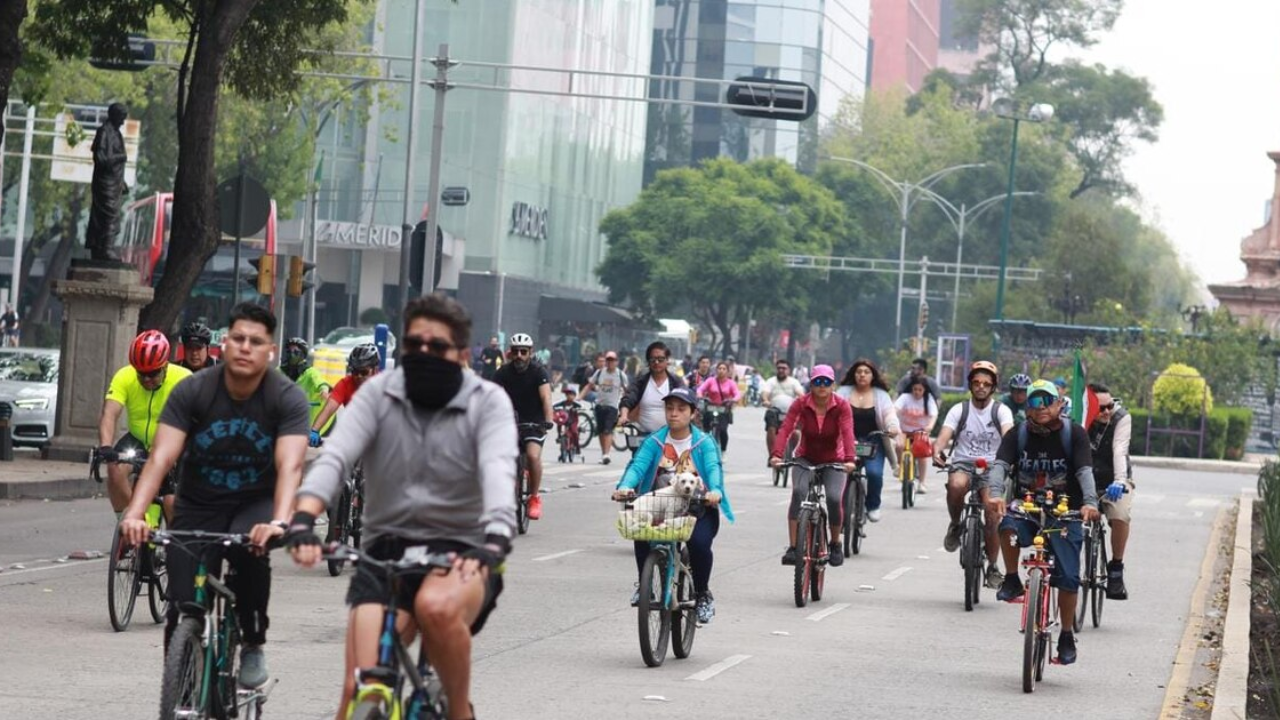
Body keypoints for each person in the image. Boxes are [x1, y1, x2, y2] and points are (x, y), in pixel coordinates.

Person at [286, 293, 515, 720]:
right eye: (414, 345)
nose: (424, 354)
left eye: (438, 347)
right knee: (360, 689)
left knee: (435, 607)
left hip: (463, 552)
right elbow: (337, 456)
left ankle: (459, 710)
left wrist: (497, 536)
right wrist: (304, 515)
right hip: (385, 555)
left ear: (463, 354)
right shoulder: (377, 394)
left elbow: (498, 470)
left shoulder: (488, 401)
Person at [120, 303, 310, 687]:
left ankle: (253, 641)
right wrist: (135, 512)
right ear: (223, 345)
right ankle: (181, 688)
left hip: (254, 500)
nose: (245, 347)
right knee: (181, 601)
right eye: (237, 338)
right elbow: (161, 457)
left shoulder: (286, 398)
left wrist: (279, 521)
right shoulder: (194, 390)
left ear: (270, 351)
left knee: (250, 552)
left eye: (255, 341)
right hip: (198, 501)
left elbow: (290, 465)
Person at [986, 379, 1100, 666]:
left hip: (1065, 513)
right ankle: (1012, 579)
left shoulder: (1074, 435)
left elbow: (1085, 471)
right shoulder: (1017, 435)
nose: (1042, 408)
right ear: (1028, 408)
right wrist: (996, 494)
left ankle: (1065, 634)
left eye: (1047, 401)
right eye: (1035, 402)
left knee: (1069, 577)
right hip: (1026, 508)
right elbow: (1000, 466)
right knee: (1007, 528)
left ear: (1059, 403)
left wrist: (1089, 502)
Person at [613, 387, 733, 624]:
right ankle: (644, 585)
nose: (674, 414)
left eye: (681, 409)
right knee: (640, 530)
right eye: (669, 408)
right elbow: (637, 467)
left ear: (693, 413)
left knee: (698, 544)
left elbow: (712, 469)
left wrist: (715, 492)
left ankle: (702, 595)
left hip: (698, 508)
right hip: (661, 506)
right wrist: (625, 487)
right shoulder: (654, 440)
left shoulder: (704, 442)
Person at [933, 360, 1014, 589]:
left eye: (986, 383)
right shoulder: (960, 409)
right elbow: (943, 436)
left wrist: (1013, 458)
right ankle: (955, 524)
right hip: (963, 463)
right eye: (976, 382)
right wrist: (937, 451)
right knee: (957, 485)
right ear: (970, 385)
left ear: (993, 387)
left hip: (992, 467)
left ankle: (993, 566)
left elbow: (1009, 436)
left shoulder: (1001, 411)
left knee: (992, 510)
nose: (981, 387)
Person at [97, 330, 193, 519]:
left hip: (172, 443)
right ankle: (131, 523)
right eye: (142, 374)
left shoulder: (184, 378)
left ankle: (176, 545)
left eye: (153, 374)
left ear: (165, 365)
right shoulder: (125, 376)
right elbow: (110, 413)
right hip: (138, 440)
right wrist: (106, 446)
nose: (147, 380)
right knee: (114, 468)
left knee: (170, 502)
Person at [771, 364, 856, 567]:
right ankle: (793, 547)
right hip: (805, 457)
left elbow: (847, 432)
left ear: (832, 384)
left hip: (834, 459)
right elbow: (786, 429)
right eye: (817, 381)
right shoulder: (800, 403)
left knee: (835, 498)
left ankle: (835, 543)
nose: (822, 386)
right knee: (799, 492)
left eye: (826, 382)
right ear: (811, 383)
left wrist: (850, 459)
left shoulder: (842, 406)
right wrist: (776, 455)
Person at [492, 333, 554, 520]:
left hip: (534, 421)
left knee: (533, 456)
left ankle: (534, 497)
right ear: (509, 353)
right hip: (510, 421)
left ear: (530, 352)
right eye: (515, 351)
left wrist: (548, 419)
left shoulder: (538, 372)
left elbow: (546, 398)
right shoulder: (502, 372)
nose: (519, 355)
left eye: (523, 352)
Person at [836, 360, 900, 522]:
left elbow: (889, 414)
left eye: (866, 372)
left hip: (874, 440)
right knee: (843, 473)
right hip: (847, 440)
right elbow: (832, 410)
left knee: (874, 473)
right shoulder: (843, 392)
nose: (862, 375)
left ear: (873, 375)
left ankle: (872, 506)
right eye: (859, 372)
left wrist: (892, 426)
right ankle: (842, 509)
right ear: (853, 374)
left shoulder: (881, 395)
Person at [1087, 382, 1133, 600]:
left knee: (1120, 514)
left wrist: (1120, 481)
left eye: (1110, 406)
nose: (1107, 412)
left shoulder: (1121, 418)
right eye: (1101, 408)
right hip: (1083, 482)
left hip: (1113, 480)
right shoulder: (1077, 418)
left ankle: (1116, 568)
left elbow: (1120, 450)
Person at [309, 343, 381, 445]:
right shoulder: (345, 384)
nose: (359, 376)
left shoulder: (385, 386)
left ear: (375, 370)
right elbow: (329, 409)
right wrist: (314, 431)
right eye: (355, 371)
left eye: (364, 372)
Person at [618, 341, 687, 437]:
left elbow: (686, 402)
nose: (656, 362)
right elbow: (628, 398)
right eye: (653, 359)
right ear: (648, 361)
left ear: (667, 360)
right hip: (643, 436)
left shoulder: (676, 382)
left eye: (661, 359)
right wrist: (624, 415)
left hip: (669, 437)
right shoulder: (641, 382)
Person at [894, 376, 939, 494]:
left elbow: (934, 415)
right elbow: (895, 409)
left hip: (920, 432)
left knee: (922, 456)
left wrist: (930, 426)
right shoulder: (905, 398)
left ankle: (922, 483)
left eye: (920, 390)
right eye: (915, 389)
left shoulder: (928, 399)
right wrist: (893, 419)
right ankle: (899, 466)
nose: (917, 392)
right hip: (904, 430)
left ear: (924, 390)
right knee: (899, 446)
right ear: (911, 389)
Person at [280, 337, 333, 433]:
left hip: (310, 420)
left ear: (302, 355)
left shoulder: (310, 372)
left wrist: (324, 391)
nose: (292, 355)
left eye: (295, 352)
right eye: (289, 351)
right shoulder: (280, 370)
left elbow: (320, 382)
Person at [583, 350, 627, 465]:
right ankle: (604, 454)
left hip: (612, 406)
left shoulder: (620, 375)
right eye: (608, 360)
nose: (610, 362)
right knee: (601, 431)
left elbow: (627, 390)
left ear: (617, 362)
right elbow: (589, 385)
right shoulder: (599, 372)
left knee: (608, 430)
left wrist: (628, 404)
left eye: (612, 360)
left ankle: (607, 454)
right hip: (599, 405)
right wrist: (579, 397)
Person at [762, 359, 805, 463]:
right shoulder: (771, 381)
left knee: (796, 432)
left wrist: (802, 402)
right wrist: (766, 400)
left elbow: (801, 395)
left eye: (784, 368)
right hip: (774, 411)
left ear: (789, 370)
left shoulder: (794, 382)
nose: (781, 370)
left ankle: (791, 452)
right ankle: (772, 455)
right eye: (779, 368)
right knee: (771, 428)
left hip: (791, 412)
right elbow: (765, 393)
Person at [695, 360, 740, 452]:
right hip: (710, 406)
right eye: (719, 368)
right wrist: (700, 395)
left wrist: (733, 400)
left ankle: (723, 451)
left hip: (724, 409)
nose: (721, 370)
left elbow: (737, 394)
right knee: (705, 429)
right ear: (716, 370)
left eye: (724, 369)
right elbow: (700, 389)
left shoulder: (731, 383)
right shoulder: (710, 381)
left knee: (723, 430)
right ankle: (703, 447)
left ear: (727, 371)